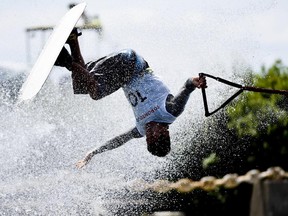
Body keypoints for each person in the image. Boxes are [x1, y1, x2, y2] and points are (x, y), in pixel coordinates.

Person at [54, 29, 207, 168]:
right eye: (152, 135)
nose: (147, 132)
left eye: (148, 137)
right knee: (95, 92)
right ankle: (63, 58)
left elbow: (120, 140)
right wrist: (195, 82)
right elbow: (187, 86)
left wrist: (93, 153)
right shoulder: (170, 111)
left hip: (122, 74)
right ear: (164, 133)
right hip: (131, 64)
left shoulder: (142, 128)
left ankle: (72, 39)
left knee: (81, 83)